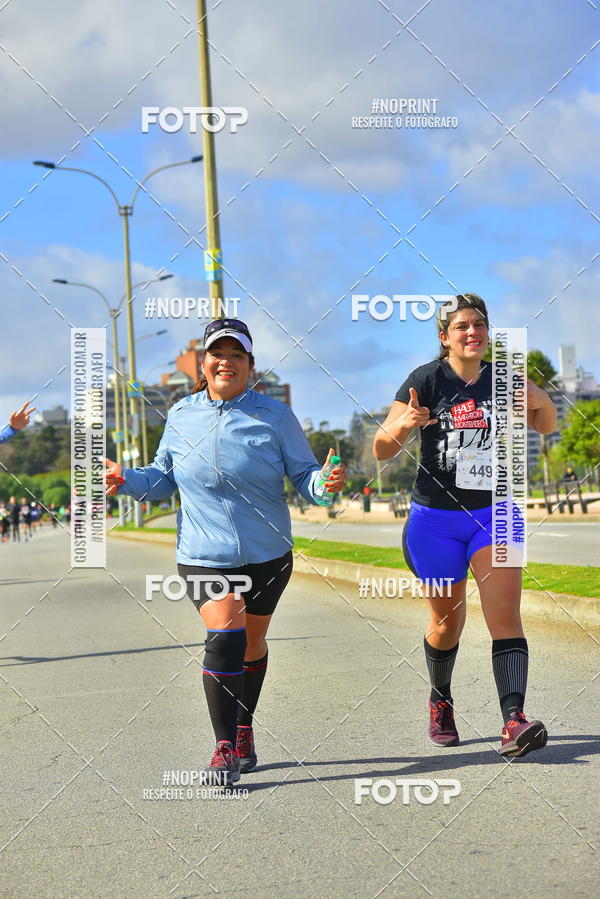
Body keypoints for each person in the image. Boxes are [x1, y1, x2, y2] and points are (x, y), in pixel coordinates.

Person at [104, 318, 347, 784]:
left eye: (237, 355)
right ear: (204, 363)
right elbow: (161, 477)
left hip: (268, 554)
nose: (226, 362)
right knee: (226, 636)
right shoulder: (180, 415)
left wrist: (325, 486)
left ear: (251, 366)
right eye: (219, 353)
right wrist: (127, 480)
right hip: (204, 552)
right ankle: (223, 747)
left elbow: (306, 478)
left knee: (252, 645)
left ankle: (242, 727)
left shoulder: (275, 416)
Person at [373, 294, 557, 758]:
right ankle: (441, 699)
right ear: (444, 337)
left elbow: (545, 424)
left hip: (496, 514)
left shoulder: (504, 378)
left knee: (504, 616)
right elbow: (380, 449)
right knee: (446, 621)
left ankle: (513, 721)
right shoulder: (426, 380)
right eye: (461, 326)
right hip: (434, 521)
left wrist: (538, 398)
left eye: (479, 324)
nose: (471, 332)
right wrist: (406, 425)